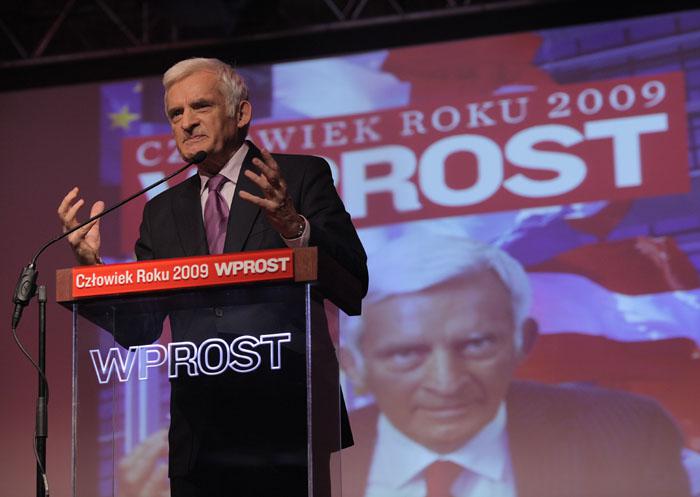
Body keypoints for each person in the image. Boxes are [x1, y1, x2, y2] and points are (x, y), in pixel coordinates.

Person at [58, 57, 368, 497]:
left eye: (200, 106)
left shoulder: (298, 177)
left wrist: (294, 227)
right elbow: (140, 329)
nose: (186, 122)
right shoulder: (161, 211)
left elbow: (353, 278)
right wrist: (93, 270)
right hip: (200, 439)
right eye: (175, 113)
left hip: (285, 425)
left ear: (241, 113)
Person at [339, 234, 691, 497]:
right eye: (406, 355)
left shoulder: (626, 438)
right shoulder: (315, 456)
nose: (446, 383)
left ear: (523, 342)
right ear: (353, 364)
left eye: (477, 345)